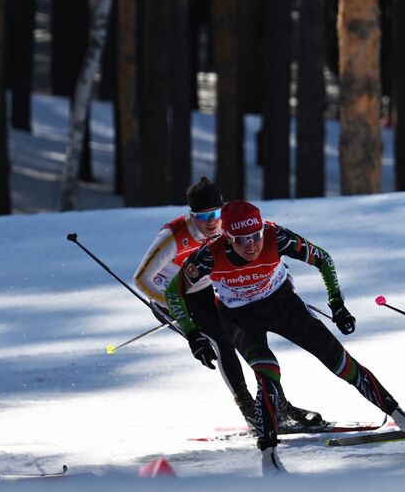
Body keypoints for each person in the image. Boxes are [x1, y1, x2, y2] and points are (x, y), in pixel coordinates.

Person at [168, 200, 405, 475]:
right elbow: (173, 292)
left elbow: (323, 259)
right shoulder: (209, 255)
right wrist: (193, 335)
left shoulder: (277, 236)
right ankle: (269, 454)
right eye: (241, 241)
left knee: (341, 362)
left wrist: (337, 304)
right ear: (227, 238)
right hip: (240, 318)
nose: (251, 245)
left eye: (256, 236)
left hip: (281, 304)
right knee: (268, 374)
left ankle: (401, 417)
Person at [133, 178, 323, 432]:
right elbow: (141, 278)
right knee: (223, 339)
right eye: (204, 216)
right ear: (192, 215)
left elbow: (252, 254)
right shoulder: (174, 235)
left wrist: (279, 277)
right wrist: (169, 305)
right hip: (171, 296)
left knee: (248, 337)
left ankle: (281, 407)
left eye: (216, 213)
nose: (212, 221)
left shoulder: (228, 226)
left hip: (206, 290)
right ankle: (248, 409)